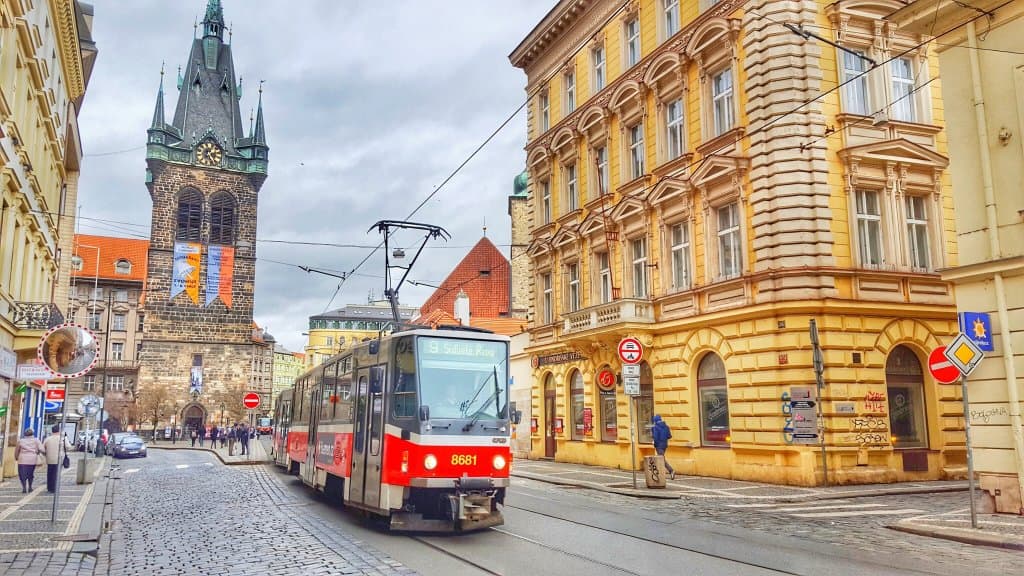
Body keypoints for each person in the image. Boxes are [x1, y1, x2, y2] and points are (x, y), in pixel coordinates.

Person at [15, 428, 45, 493]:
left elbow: (17, 450)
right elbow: (42, 449)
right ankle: (30, 487)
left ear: (25, 434)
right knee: (30, 474)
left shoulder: (21, 441)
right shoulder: (36, 440)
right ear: (32, 434)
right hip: (32, 460)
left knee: (22, 474)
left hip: (22, 460)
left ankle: (24, 487)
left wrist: (16, 457)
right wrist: (38, 452)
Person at [651, 415, 676, 480]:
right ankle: (660, 473)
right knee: (661, 459)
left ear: (655, 421)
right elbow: (669, 436)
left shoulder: (655, 427)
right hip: (664, 445)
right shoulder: (666, 427)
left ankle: (671, 470)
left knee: (661, 459)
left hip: (659, 445)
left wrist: (655, 444)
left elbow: (655, 437)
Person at [42, 425, 63, 493]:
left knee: (50, 473)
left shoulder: (48, 439)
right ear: (59, 431)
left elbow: (42, 448)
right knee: (56, 474)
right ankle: (55, 487)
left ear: (52, 431)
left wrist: (45, 454)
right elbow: (69, 446)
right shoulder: (62, 438)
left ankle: (50, 487)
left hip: (49, 458)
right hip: (59, 459)